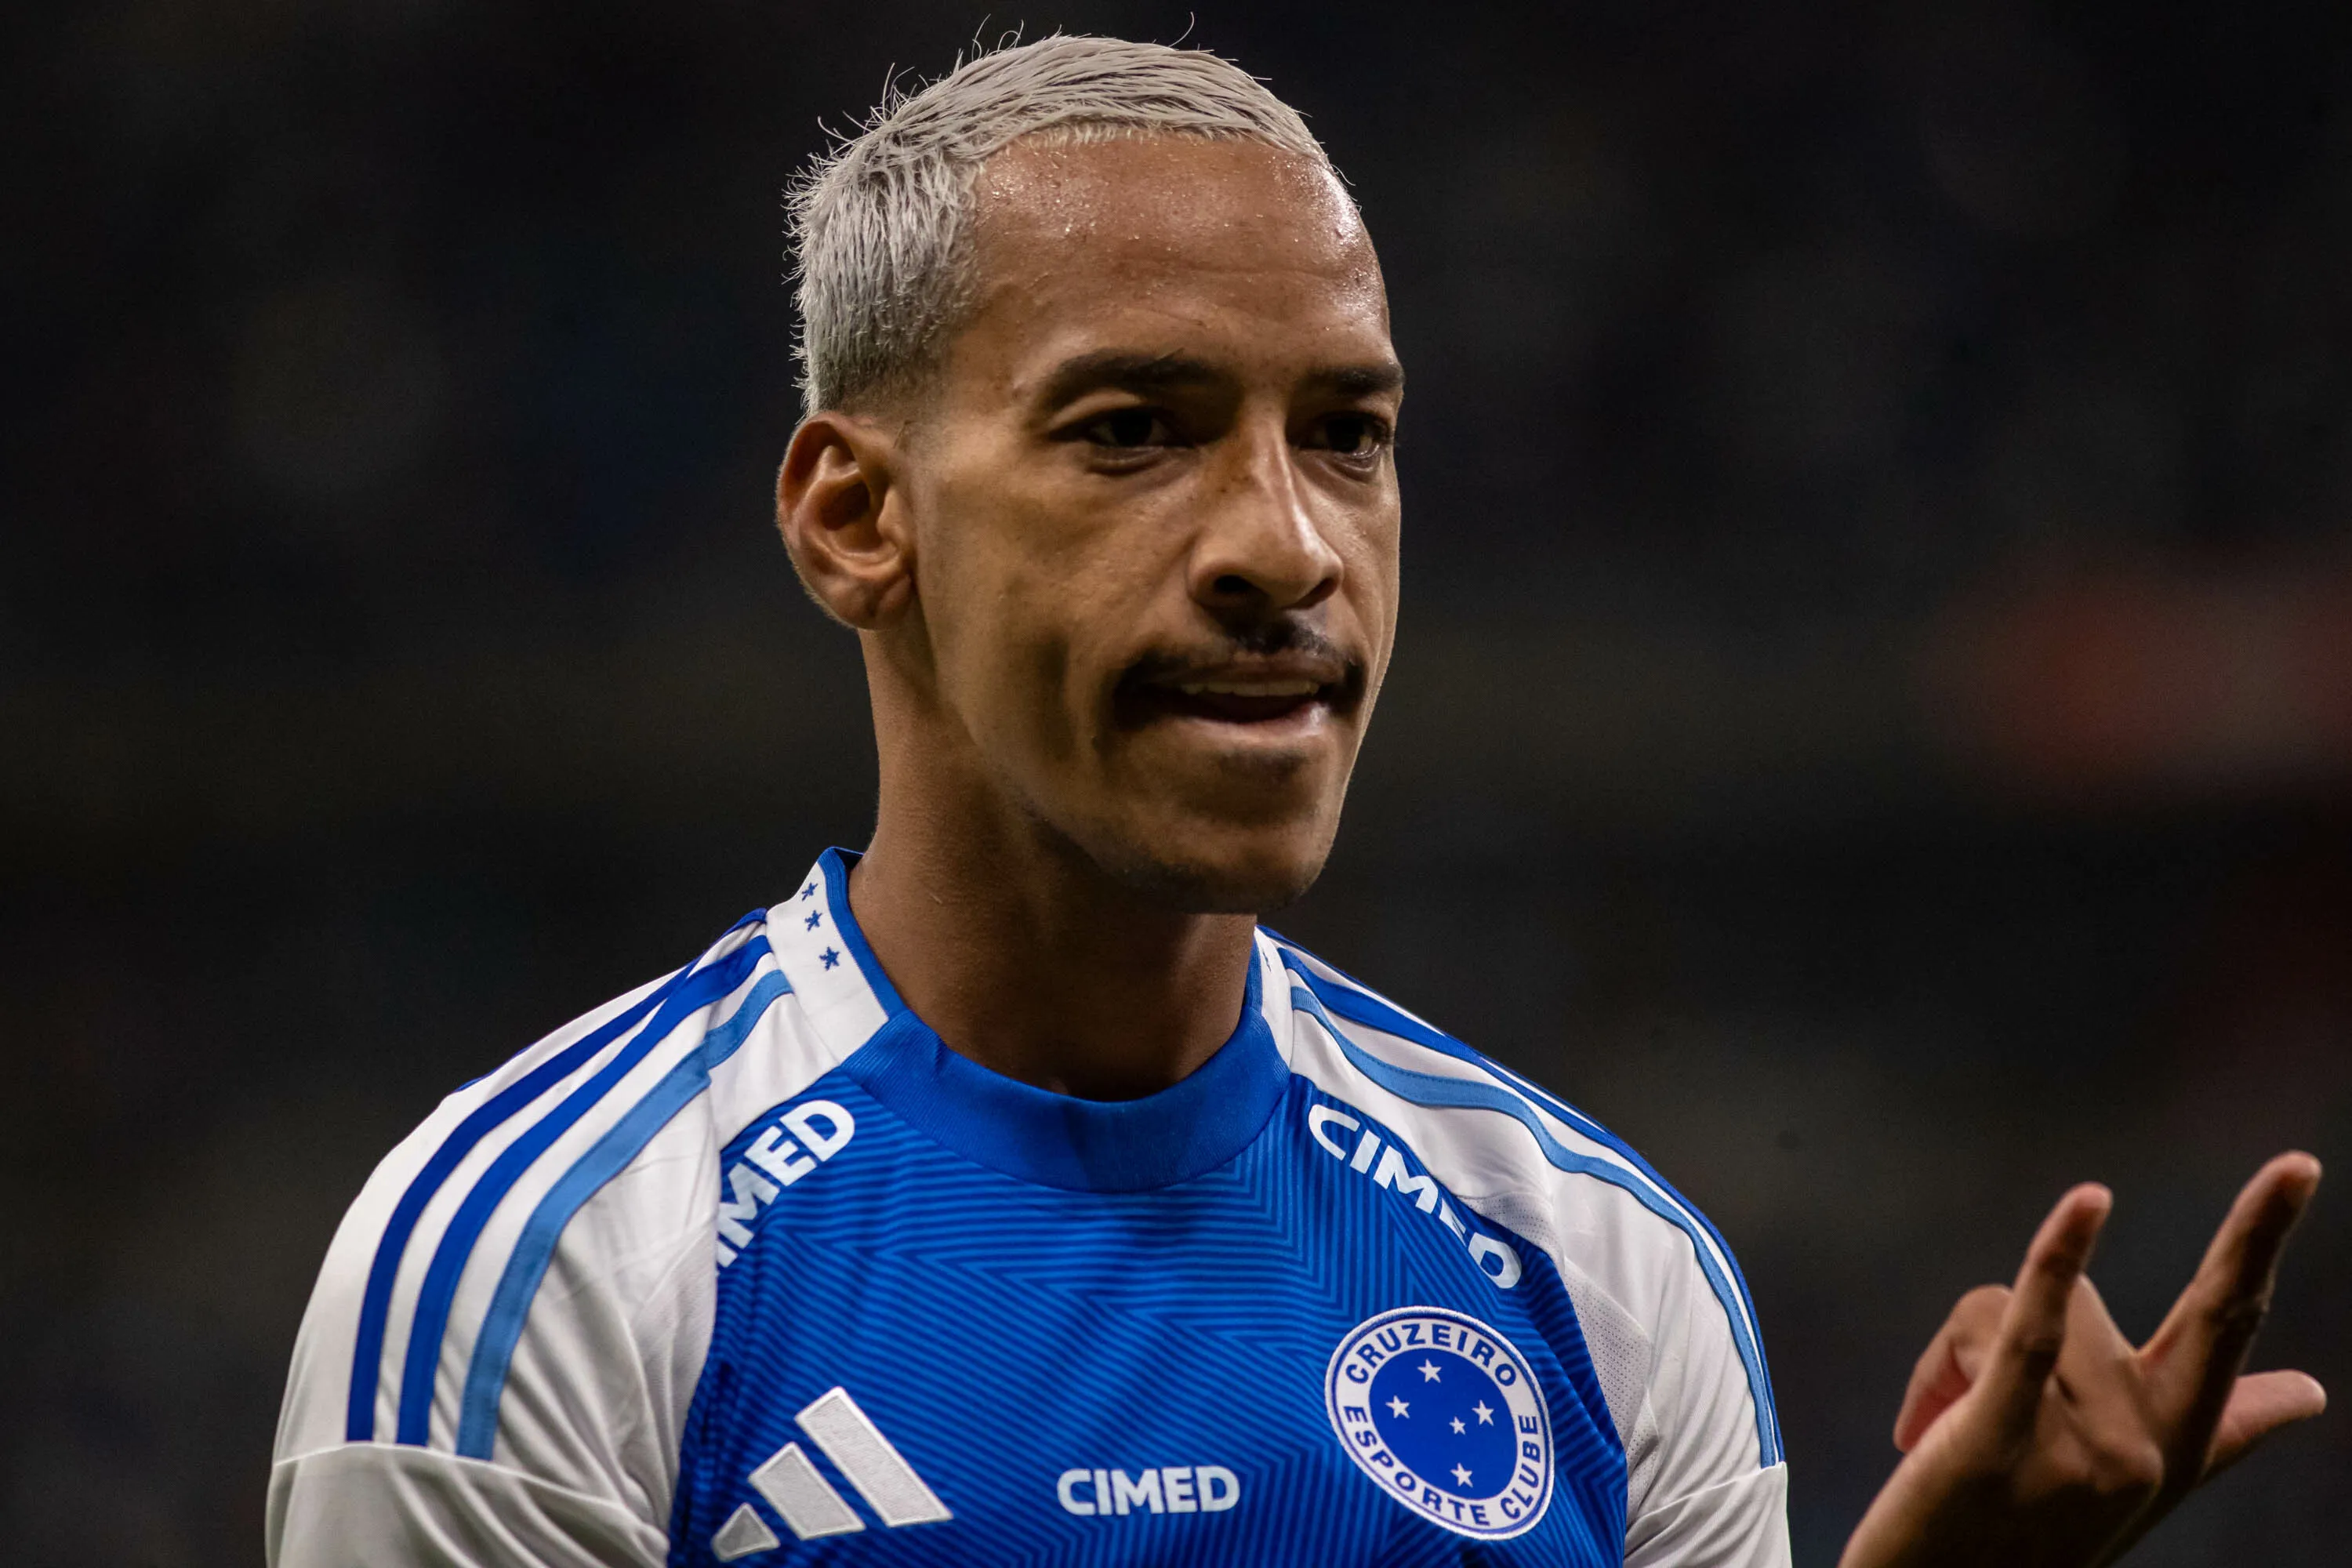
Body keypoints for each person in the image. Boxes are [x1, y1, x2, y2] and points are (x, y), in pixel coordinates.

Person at [266, 36, 2323, 1568]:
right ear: (854, 517)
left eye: (1344, 435)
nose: (1284, 545)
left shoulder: (1597, 1274)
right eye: (1134, 431)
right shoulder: (544, 1271)